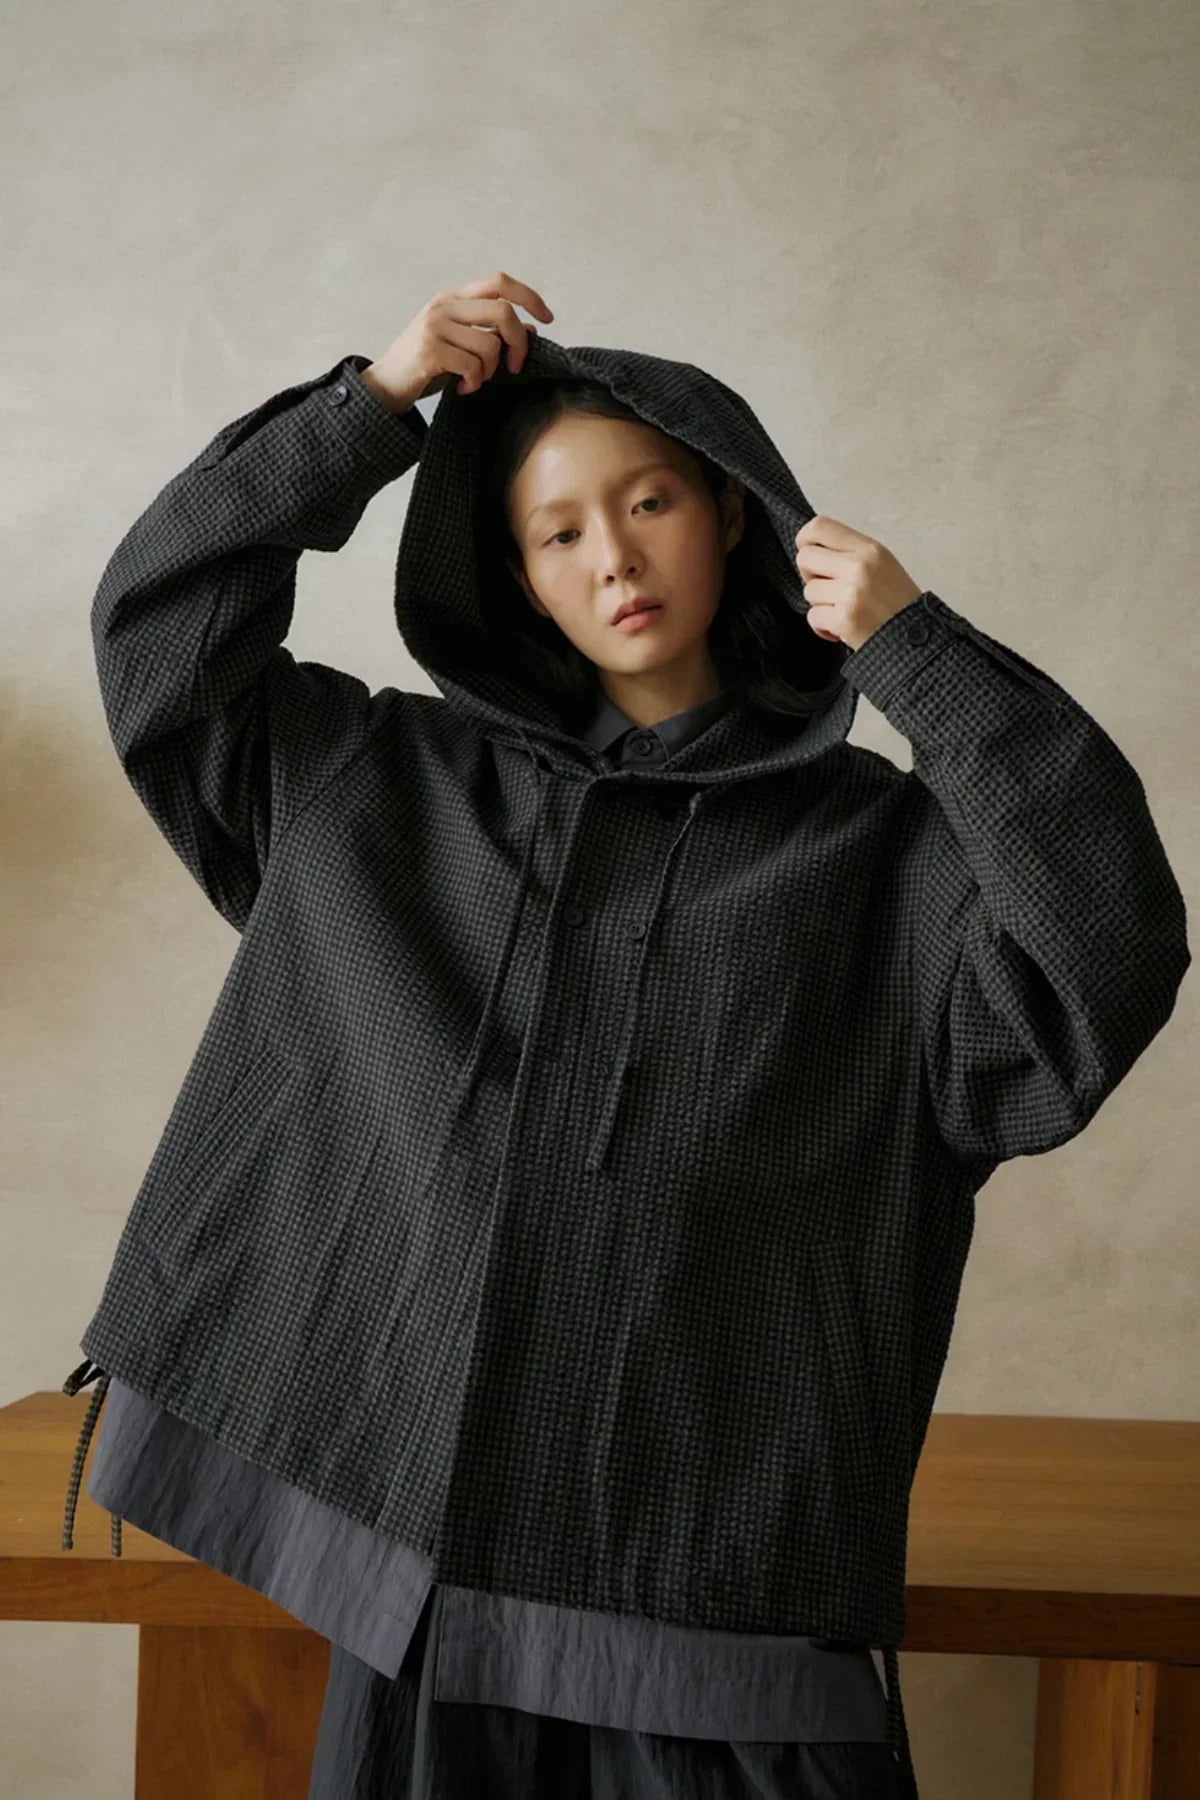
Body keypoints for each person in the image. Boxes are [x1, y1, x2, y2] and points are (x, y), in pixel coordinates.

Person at [61, 273, 1190, 1800]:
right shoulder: (378, 784)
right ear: (513, 575)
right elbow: (161, 638)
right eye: (560, 530)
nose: (616, 557)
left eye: (649, 499)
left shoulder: (889, 853)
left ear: (729, 513)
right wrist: (367, 410)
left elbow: (1107, 955)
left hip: (727, 1633)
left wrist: (921, 653)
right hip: (412, 1620)